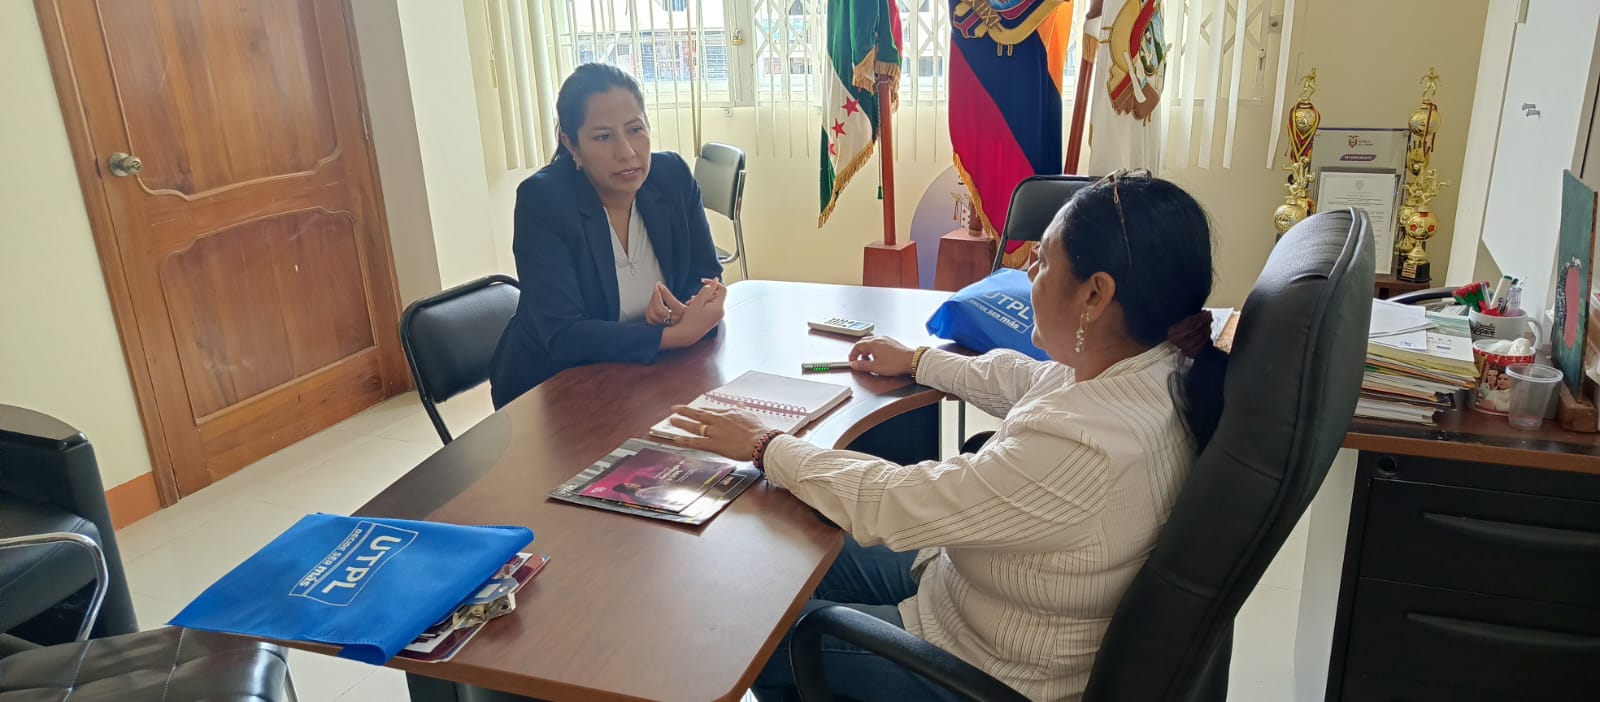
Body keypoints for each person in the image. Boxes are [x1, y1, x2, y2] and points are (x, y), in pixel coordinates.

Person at [669, 172, 1228, 701]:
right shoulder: (1154, 366)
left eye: (1042, 261)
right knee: (790, 547)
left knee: (753, 636)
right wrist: (918, 359)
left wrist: (766, 444)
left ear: (1095, 295)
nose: (1028, 274)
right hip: (969, 592)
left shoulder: (1084, 448)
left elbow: (894, 501)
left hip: (982, 666)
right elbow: (1025, 379)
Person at [490, 63, 726, 409]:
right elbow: (564, 334)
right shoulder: (544, 201)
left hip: (646, 377)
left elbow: (704, 275)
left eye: (635, 129)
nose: (626, 152)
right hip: (556, 389)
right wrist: (674, 335)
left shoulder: (672, 177)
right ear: (571, 144)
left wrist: (687, 308)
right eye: (603, 137)